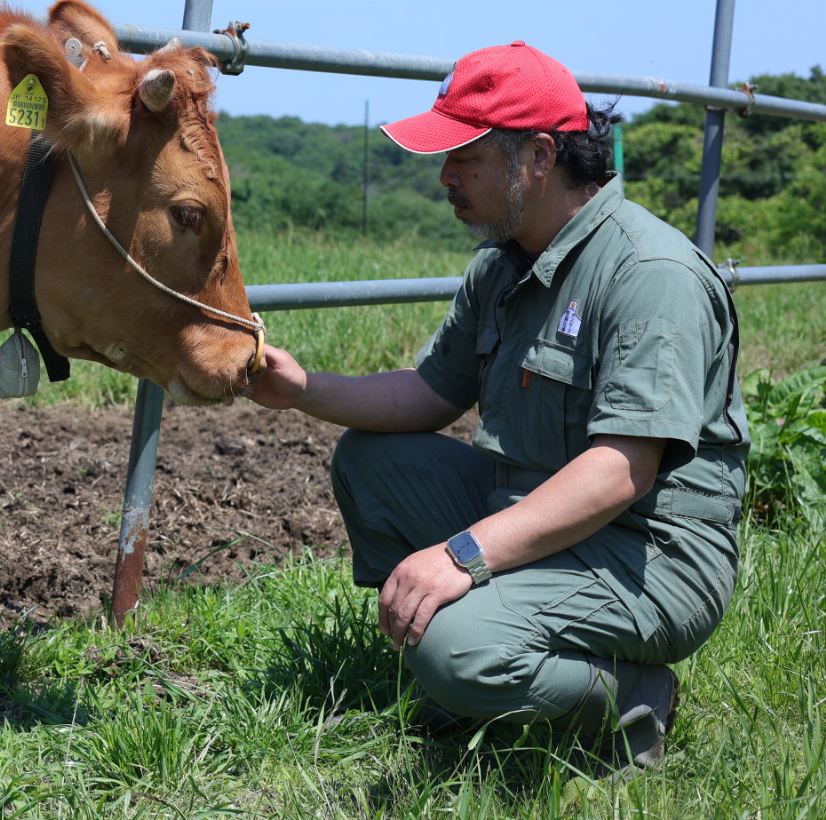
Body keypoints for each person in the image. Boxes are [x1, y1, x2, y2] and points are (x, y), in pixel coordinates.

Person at [247, 40, 747, 773]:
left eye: (465, 157)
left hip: (649, 551)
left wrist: (463, 557)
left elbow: (620, 472)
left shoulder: (650, 274)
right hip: (539, 509)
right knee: (373, 460)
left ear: (539, 158)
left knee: (457, 648)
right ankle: (472, 678)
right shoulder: (505, 261)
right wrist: (303, 392)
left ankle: (634, 698)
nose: (444, 177)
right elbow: (431, 391)